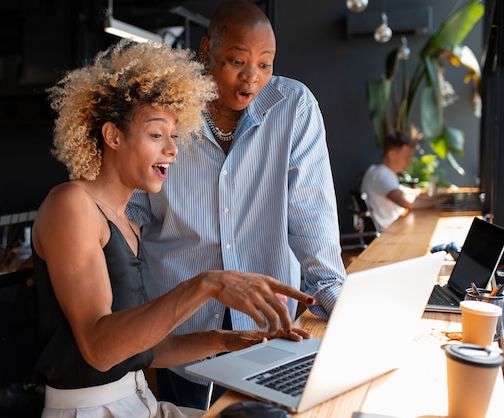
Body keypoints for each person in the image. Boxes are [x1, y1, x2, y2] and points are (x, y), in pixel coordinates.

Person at [30, 39, 315, 418]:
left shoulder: (126, 223)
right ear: (113, 136)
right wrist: (207, 284)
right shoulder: (72, 205)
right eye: (155, 135)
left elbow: (139, 348)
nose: (172, 150)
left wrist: (230, 342)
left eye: (174, 136)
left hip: (139, 404)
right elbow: (99, 350)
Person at [126, 0, 346, 409]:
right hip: (182, 332)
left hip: (270, 330)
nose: (252, 78)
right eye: (236, 61)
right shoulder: (164, 114)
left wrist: (339, 301)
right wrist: (79, 258)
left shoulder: (293, 108)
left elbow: (310, 214)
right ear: (206, 49)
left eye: (266, 64)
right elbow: (130, 212)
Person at [360, 130, 451, 231]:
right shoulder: (382, 175)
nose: (410, 162)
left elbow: (401, 190)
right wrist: (443, 200)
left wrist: (422, 194)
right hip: (390, 234)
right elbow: (408, 203)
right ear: (392, 154)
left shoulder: (378, 171)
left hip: (394, 228)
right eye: (407, 157)